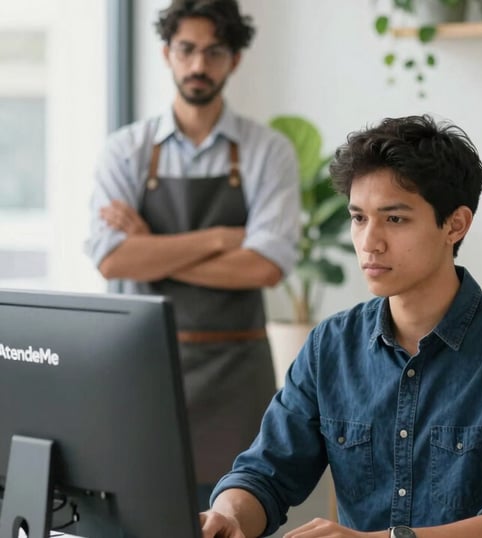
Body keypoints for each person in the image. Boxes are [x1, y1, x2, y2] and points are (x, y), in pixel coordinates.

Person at [199, 115, 482, 538]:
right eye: (359, 218)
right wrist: (229, 516)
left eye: (394, 219)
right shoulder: (331, 346)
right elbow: (264, 474)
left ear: (455, 224)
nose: (369, 243)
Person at [84, 0, 300, 507]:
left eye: (214, 52)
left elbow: (265, 266)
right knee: (139, 516)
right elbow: (113, 260)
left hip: (236, 378)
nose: (199, 65)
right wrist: (219, 238)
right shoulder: (125, 150)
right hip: (144, 370)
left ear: (234, 60)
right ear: (167, 53)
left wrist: (150, 246)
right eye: (187, 49)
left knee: (236, 514)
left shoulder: (268, 151)